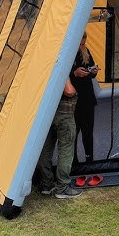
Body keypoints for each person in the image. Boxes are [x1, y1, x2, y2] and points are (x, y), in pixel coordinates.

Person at [37, 78, 82, 199]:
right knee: (65, 152)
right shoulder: (59, 62)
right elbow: (69, 91)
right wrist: (68, 78)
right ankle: (62, 188)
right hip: (64, 115)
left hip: (46, 114)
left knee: (45, 150)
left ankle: (46, 184)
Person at [71, 33, 99, 163]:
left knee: (88, 132)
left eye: (83, 44)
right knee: (73, 132)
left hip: (87, 98)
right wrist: (75, 74)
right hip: (73, 100)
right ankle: (73, 161)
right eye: (79, 43)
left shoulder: (85, 51)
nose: (81, 46)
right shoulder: (66, 52)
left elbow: (91, 72)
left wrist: (93, 71)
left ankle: (89, 159)